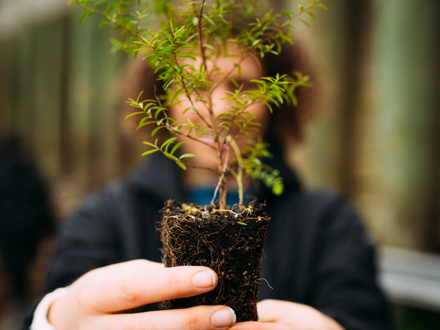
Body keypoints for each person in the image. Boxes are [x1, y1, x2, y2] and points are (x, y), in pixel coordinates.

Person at [22, 39, 391, 329]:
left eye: (243, 84)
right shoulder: (102, 217)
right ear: (163, 98)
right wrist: (58, 316)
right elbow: (46, 310)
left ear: (275, 100)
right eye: (195, 85)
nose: (223, 106)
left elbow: (364, 316)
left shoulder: (328, 222)